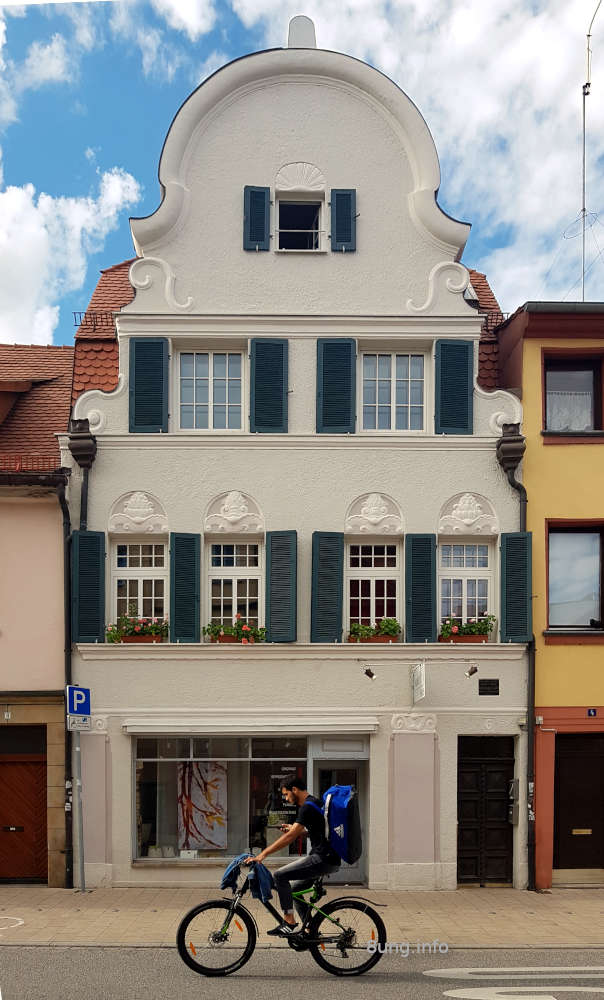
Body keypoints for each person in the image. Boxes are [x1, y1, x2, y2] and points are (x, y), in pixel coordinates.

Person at [243, 774, 340, 937]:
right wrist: (295, 829)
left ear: (294, 790)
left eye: (287, 794)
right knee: (294, 889)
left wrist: (262, 855)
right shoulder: (313, 803)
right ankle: (309, 930)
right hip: (328, 858)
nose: (286, 799)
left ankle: (289, 921)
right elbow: (318, 830)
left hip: (322, 859)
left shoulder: (307, 807)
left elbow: (290, 838)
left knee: (280, 876)